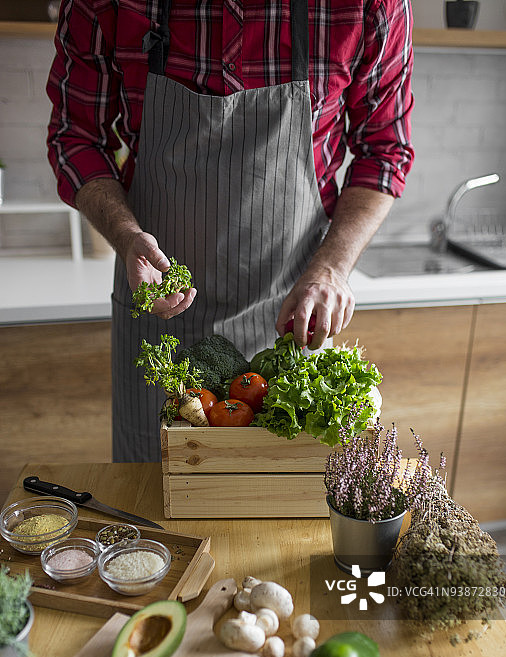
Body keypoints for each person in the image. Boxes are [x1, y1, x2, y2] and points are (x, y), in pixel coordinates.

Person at [46, 0, 414, 462]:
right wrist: (125, 236)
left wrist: (332, 268)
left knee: (275, 512)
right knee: (151, 511)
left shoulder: (367, 6)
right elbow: (75, 136)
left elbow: (384, 151)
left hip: (291, 318)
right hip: (156, 316)